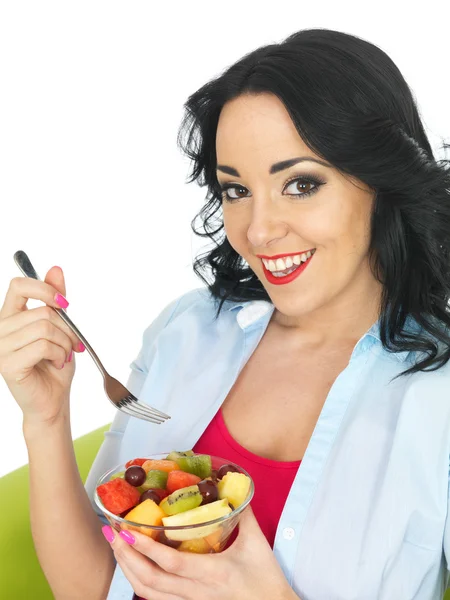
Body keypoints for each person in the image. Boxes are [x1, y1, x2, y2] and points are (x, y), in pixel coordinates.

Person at [2, 27, 450, 600]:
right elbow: (95, 588)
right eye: (236, 190)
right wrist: (45, 419)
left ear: (382, 182)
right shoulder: (187, 331)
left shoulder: (436, 397)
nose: (258, 230)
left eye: (301, 184)